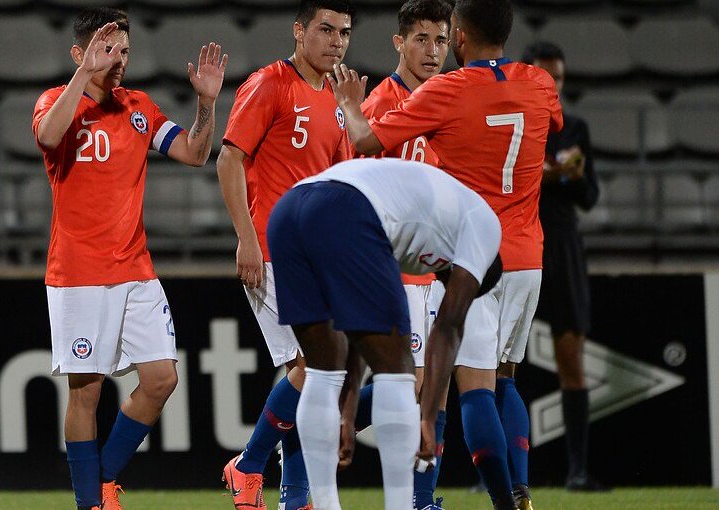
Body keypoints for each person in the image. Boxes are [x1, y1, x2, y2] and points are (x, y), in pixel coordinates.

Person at [328, 0, 563, 508]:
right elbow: (553, 125)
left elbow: (366, 140)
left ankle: (504, 501)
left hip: (472, 258)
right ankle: (519, 491)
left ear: (457, 36)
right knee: (505, 379)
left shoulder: (447, 90)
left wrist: (348, 102)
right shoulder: (540, 83)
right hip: (528, 259)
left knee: (471, 390)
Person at [32, 8, 227, 510]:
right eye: (107, 50)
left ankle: (102, 482)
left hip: (135, 269)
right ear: (79, 53)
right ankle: (90, 503)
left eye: (123, 51)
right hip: (77, 274)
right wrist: (84, 75)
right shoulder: (56, 101)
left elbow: (193, 153)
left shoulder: (138, 106)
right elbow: (49, 137)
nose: (118, 60)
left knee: (162, 377)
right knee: (86, 394)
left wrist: (206, 104)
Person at [268, 158, 502, 510]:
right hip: (349, 208)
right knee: (398, 372)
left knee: (322, 369)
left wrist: (347, 410)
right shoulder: (485, 228)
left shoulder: (420, 227)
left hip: (289, 211)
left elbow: (359, 323)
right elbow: (449, 326)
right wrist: (426, 416)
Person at [216, 1, 354, 509]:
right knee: (316, 363)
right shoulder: (268, 84)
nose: (336, 41)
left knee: (315, 374)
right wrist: (247, 237)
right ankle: (250, 465)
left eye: (344, 32)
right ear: (299, 31)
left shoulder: (337, 99)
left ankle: (294, 495)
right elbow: (229, 159)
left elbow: (338, 182)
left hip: (316, 257)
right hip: (273, 250)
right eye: (325, 29)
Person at [353, 1, 452, 508]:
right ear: (399, 43)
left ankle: (422, 499)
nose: (432, 51)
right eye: (421, 39)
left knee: (431, 385)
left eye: (440, 40)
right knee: (413, 385)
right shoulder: (379, 104)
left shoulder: (450, 101)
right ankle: (320, 424)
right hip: (392, 269)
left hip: (431, 270)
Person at [521, 41, 603, 492]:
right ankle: (498, 472)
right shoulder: (519, 124)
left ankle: (577, 471)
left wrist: (570, 176)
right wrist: (552, 173)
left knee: (571, 355)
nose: (554, 85)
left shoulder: (576, 128)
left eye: (559, 77)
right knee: (499, 362)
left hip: (564, 245)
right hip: (522, 241)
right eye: (545, 76)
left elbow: (591, 196)